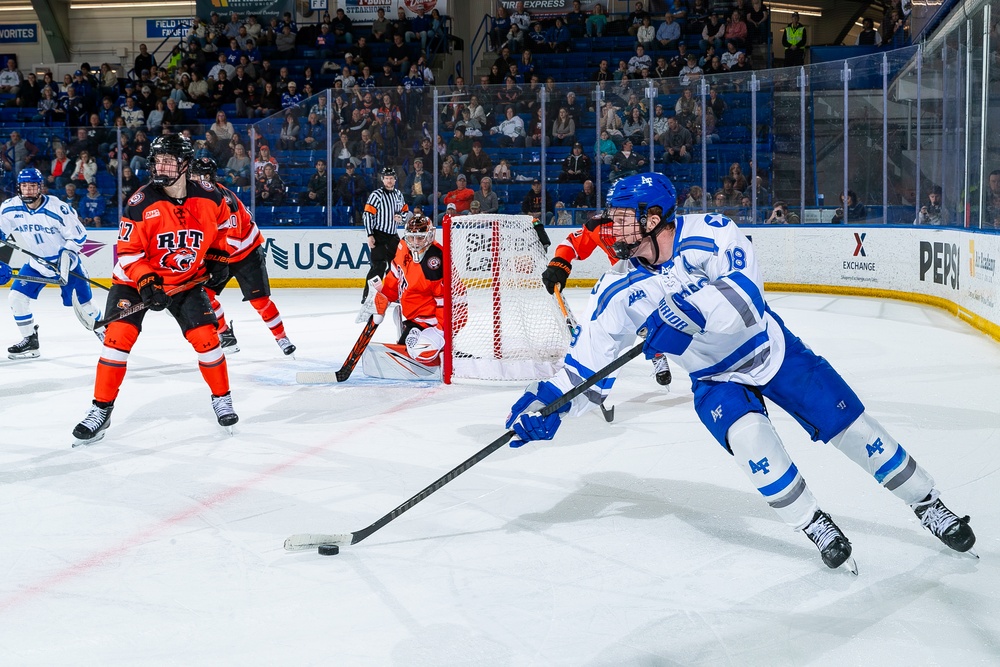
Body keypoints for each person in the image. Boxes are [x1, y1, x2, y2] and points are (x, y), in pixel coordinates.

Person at [506, 172, 977, 571]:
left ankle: (928, 503)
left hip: (770, 351)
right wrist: (549, 404)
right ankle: (814, 522)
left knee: (855, 431)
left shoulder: (712, 232)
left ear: (653, 219)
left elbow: (746, 301)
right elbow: (586, 371)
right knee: (753, 441)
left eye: (622, 218)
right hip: (714, 379)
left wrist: (681, 317)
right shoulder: (615, 289)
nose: (612, 228)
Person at [70, 135, 237, 445]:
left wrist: (218, 257)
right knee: (116, 340)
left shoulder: (211, 198)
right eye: (157, 159)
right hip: (134, 283)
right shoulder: (140, 202)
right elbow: (128, 252)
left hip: (185, 283)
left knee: (207, 339)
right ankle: (100, 410)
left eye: (168, 160)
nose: (160, 166)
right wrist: (147, 283)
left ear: (185, 165)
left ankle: (222, 398)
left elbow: (226, 228)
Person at [540, 211, 672, 385]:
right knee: (625, 324)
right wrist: (560, 263)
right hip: (626, 284)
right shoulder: (599, 226)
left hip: (663, 277)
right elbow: (573, 242)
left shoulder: (648, 220)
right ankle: (652, 354)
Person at [189, 158, 295, 357]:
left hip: (247, 253)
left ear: (206, 177)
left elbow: (234, 238)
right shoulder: (193, 199)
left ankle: (281, 337)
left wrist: (213, 262)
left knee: (260, 301)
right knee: (204, 295)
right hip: (222, 254)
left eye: (194, 175)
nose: (191, 179)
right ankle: (225, 335)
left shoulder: (224, 199)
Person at [0, 168, 104, 360]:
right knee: (16, 298)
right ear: (19, 188)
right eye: (24, 186)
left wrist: (66, 257)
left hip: (66, 265)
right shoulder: (10, 208)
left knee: (86, 305)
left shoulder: (58, 208)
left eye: (33, 186)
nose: (28, 191)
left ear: (40, 187)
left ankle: (105, 331)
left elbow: (79, 237)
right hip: (37, 265)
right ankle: (30, 341)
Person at [358, 215, 466, 379]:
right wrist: (383, 299)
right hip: (418, 313)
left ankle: (441, 348)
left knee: (420, 353)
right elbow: (395, 275)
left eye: (420, 238)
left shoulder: (434, 261)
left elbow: (445, 302)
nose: (415, 242)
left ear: (430, 236)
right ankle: (412, 328)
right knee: (407, 338)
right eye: (412, 237)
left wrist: (441, 331)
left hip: (445, 317)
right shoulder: (403, 245)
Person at [362, 167, 409, 302]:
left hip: (393, 235)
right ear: (383, 180)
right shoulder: (376, 195)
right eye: (386, 178)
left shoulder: (399, 195)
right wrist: (370, 234)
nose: (389, 180)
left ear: (395, 179)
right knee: (379, 266)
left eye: (391, 178)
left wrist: (401, 217)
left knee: (397, 265)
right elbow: (367, 215)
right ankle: (369, 296)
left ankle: (392, 293)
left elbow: (405, 210)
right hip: (378, 234)